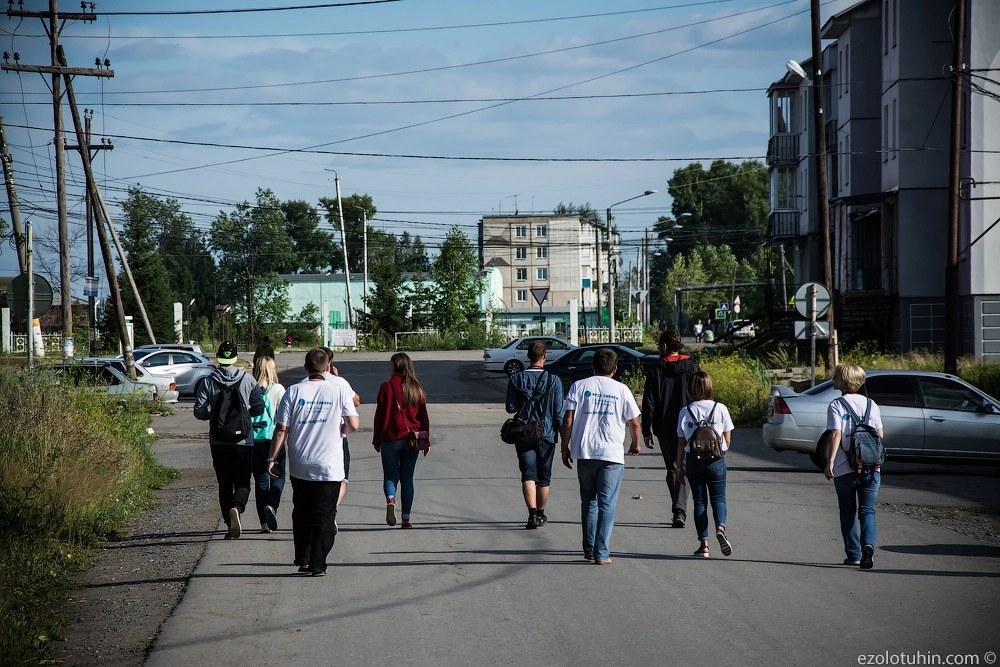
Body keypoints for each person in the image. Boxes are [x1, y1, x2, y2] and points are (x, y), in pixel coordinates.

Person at [266, 348, 359, 576]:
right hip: (330, 465)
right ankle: (319, 563)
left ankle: (304, 557)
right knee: (324, 514)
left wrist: (272, 458)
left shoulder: (293, 391)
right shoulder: (339, 390)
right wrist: (342, 430)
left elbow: (281, 429)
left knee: (302, 511)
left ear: (306, 367)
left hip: (301, 464)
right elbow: (353, 424)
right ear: (327, 367)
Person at [561, 347, 645, 564]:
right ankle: (602, 553)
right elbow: (635, 422)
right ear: (615, 368)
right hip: (611, 455)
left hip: (585, 452)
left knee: (588, 501)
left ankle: (589, 549)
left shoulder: (579, 386)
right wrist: (635, 444)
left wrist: (564, 447)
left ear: (592, 366)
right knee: (607, 504)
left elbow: (568, 420)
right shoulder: (622, 390)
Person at [194, 341, 266, 539]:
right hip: (243, 441)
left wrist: (214, 417)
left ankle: (229, 523)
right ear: (236, 358)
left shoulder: (208, 381)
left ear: (218, 357)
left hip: (218, 441)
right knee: (243, 481)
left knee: (224, 483)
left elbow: (199, 411)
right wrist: (245, 417)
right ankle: (237, 507)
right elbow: (259, 407)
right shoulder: (248, 379)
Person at [825, 363, 884, 569]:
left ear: (842, 381)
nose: (832, 380)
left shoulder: (837, 405)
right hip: (871, 466)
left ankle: (854, 554)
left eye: (835, 377)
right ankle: (868, 545)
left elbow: (836, 434)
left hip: (845, 467)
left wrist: (830, 461)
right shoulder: (871, 404)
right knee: (867, 511)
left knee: (847, 511)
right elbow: (880, 434)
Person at [505, 339, 565, 529]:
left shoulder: (516, 379)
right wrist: (565, 439)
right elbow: (558, 414)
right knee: (544, 478)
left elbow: (510, 408)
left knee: (528, 475)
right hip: (547, 434)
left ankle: (531, 514)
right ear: (545, 356)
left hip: (524, 433)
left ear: (528, 356)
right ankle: (540, 513)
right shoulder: (554, 380)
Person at [642, 330, 699, 528]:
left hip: (665, 426)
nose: (659, 349)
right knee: (685, 466)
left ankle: (678, 510)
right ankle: (680, 509)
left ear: (665, 346)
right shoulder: (692, 367)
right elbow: (700, 394)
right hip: (689, 425)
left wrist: (646, 429)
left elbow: (649, 401)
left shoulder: (656, 370)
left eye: (659, 346)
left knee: (673, 468)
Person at [676, 371, 734, 558]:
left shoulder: (685, 411)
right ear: (710, 386)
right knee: (719, 499)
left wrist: (680, 467)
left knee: (699, 501)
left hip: (694, 461)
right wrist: (720, 453)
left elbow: (681, 443)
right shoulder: (720, 408)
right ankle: (720, 528)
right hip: (716, 460)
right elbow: (727, 439)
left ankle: (704, 545)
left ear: (691, 388)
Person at [372, 353, 430, 529]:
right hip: (412, 440)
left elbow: (379, 416)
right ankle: (406, 519)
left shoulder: (386, 386)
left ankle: (391, 500)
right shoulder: (416, 388)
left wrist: (376, 440)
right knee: (407, 478)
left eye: (390, 364)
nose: (388, 367)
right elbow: (424, 417)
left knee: (390, 476)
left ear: (396, 366)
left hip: (390, 439)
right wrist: (426, 440)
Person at [251, 356, 286, 533]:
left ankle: (264, 523)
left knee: (260, 480)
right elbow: (283, 417)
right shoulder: (278, 389)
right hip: (273, 439)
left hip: (253, 440)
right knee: (278, 476)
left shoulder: (250, 388)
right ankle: (271, 505)